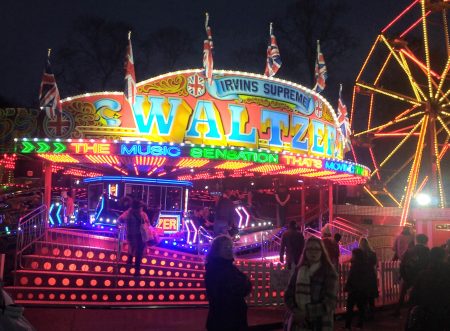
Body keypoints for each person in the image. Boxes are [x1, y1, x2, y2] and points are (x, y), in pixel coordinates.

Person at [284, 237, 338, 331]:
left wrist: (306, 313)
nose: (313, 252)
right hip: (298, 324)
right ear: (305, 251)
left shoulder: (329, 273)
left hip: (319, 323)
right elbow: (288, 294)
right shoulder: (299, 270)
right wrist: (295, 310)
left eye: (316, 249)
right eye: (310, 249)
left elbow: (330, 302)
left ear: (322, 251)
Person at [205, 235, 252, 331]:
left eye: (231, 247)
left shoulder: (230, 267)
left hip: (235, 319)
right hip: (224, 320)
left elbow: (245, 286)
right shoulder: (214, 269)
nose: (229, 250)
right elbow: (231, 290)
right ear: (217, 250)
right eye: (225, 247)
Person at [407, 247, 450, 331]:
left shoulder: (423, 274)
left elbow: (414, 297)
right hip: (445, 314)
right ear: (444, 257)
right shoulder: (447, 272)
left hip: (426, 315)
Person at [394, 233, 430, 316]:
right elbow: (427, 264)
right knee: (418, 296)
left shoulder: (409, 250)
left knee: (402, 295)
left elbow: (402, 264)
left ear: (416, 240)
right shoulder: (426, 251)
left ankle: (398, 311)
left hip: (408, 275)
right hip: (420, 277)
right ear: (426, 241)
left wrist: (403, 275)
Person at [118, 199, 150, 276]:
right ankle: (136, 271)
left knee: (132, 249)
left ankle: (129, 265)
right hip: (140, 236)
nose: (141, 208)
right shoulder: (142, 214)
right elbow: (148, 223)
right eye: (140, 207)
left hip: (131, 235)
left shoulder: (128, 213)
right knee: (138, 253)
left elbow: (120, 220)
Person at [344, 248, 369, 330]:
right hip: (361, 289)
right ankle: (359, 324)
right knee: (361, 307)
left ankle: (348, 325)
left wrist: (347, 286)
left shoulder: (355, 265)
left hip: (354, 289)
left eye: (353, 255)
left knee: (350, 307)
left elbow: (351, 277)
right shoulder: (364, 265)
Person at [358, 237, 378, 319]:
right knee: (371, 297)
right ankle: (371, 314)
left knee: (364, 296)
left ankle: (365, 314)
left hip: (363, 276)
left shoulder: (359, 253)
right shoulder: (372, 253)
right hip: (371, 275)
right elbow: (374, 263)